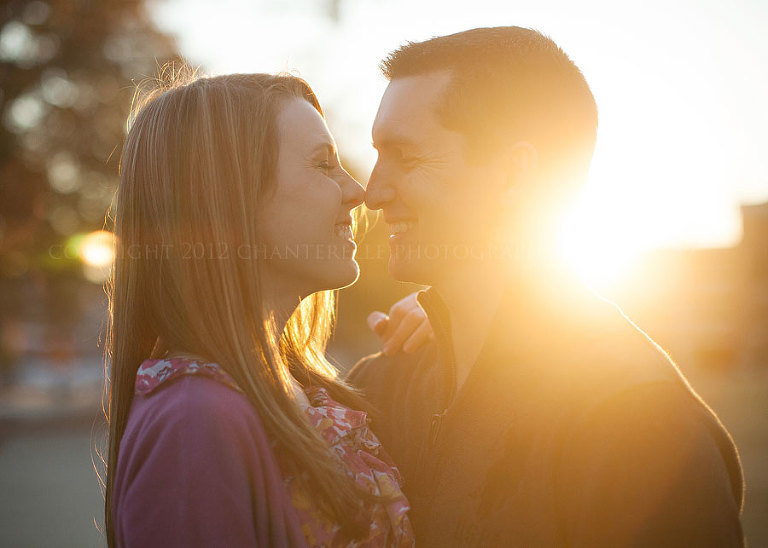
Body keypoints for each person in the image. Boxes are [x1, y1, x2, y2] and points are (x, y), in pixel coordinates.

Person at [350, 27, 745, 546]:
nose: (372, 192)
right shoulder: (379, 389)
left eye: (407, 156)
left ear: (513, 174)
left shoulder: (637, 423)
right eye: (377, 155)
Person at [104, 70, 425, 547]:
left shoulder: (302, 392)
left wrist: (448, 322)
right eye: (322, 164)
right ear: (224, 200)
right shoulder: (192, 424)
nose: (359, 192)